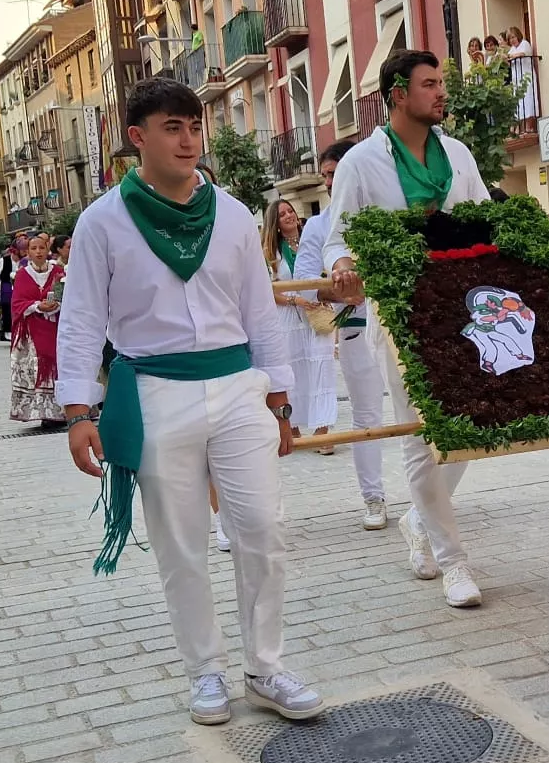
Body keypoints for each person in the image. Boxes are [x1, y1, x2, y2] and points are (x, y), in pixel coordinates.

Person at [58, 77, 323, 726]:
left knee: (262, 527)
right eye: (172, 127)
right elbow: (82, 317)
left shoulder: (231, 214)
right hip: (152, 393)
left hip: (238, 390)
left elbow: (260, 312)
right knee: (182, 545)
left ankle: (266, 666)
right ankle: (206, 671)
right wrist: (77, 412)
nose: (187, 139)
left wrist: (281, 397)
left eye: (194, 127)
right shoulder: (102, 222)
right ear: (137, 137)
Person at [321, 50, 493, 608]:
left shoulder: (460, 155)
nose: (442, 93)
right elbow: (338, 239)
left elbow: (487, 221)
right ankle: (454, 562)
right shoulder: (361, 162)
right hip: (399, 315)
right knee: (423, 436)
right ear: (398, 94)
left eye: (442, 83)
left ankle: (419, 521)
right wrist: (343, 266)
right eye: (430, 84)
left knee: (466, 431)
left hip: (463, 313)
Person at [295, 139, 387, 529]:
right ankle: (374, 498)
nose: (332, 181)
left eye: (337, 173)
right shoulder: (318, 225)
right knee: (367, 415)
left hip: (398, 325)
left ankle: (429, 498)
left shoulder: (384, 215)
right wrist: (338, 290)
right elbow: (300, 284)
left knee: (417, 413)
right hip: (355, 328)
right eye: (328, 175)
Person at [264, 199, 336, 451]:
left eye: (290, 211)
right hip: (287, 318)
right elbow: (267, 291)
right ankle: (292, 430)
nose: (288, 216)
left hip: (316, 314)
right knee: (293, 372)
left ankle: (323, 433)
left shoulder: (313, 241)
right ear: (275, 221)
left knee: (322, 368)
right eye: (282, 213)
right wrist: (296, 300)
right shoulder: (271, 253)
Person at [7, 235, 65, 425]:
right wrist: (37, 306)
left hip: (56, 327)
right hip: (32, 329)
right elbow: (17, 304)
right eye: (34, 248)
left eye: (42, 248)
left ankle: (64, 409)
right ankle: (42, 411)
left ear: (47, 249)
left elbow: (64, 296)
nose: (38, 252)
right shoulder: (23, 275)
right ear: (28, 252)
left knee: (61, 365)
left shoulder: (58, 271)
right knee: (36, 366)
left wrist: (54, 306)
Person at [505, 27, 536, 125]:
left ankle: (530, 125)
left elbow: (523, 54)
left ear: (518, 35)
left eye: (513, 37)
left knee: (528, 100)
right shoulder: (512, 49)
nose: (512, 40)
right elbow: (509, 62)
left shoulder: (525, 44)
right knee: (519, 103)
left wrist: (509, 56)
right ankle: (522, 126)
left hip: (526, 76)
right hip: (517, 79)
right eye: (510, 39)